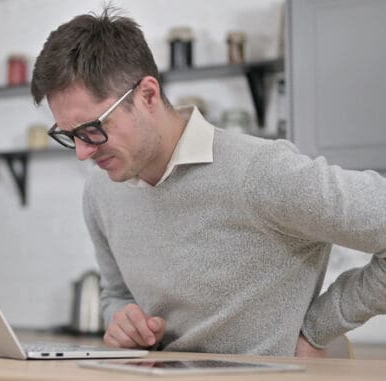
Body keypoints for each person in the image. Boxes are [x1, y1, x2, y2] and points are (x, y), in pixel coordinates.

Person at [30, 7, 386, 357]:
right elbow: (117, 294)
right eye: (69, 135)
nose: (80, 153)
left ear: (148, 95)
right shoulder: (100, 191)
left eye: (92, 129)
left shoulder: (259, 172)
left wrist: (317, 329)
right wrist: (121, 320)